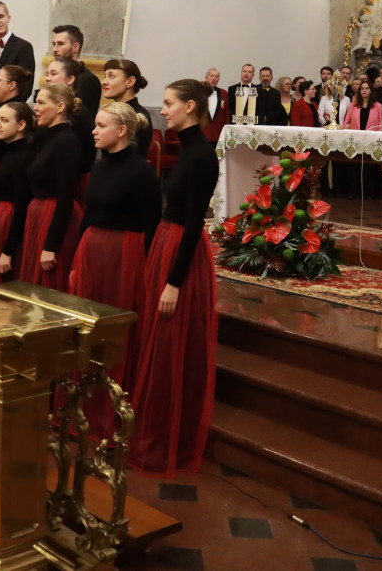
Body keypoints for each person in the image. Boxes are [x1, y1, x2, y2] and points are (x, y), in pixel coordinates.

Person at [127, 78, 219, 478]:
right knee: (155, 337)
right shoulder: (186, 149)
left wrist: (174, 282)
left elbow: (195, 221)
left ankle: (169, 437)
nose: (161, 110)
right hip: (167, 242)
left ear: (191, 106)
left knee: (171, 342)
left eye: (168, 104)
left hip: (182, 252)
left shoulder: (202, 156)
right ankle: (151, 428)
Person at [68, 102, 161, 440]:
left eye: (101, 125)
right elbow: (89, 215)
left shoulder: (142, 172)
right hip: (93, 251)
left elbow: (153, 226)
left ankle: (112, 413)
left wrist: (150, 270)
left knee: (114, 332)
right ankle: (83, 408)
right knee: (88, 329)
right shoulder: (100, 166)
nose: (93, 130)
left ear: (121, 131)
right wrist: (77, 260)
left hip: (125, 255)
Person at [19, 84, 84, 290]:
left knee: (48, 285)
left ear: (59, 107)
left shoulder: (67, 141)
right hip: (39, 214)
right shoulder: (47, 136)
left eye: (41, 103)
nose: (35, 108)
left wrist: (50, 246)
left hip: (53, 215)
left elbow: (66, 195)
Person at [0, 102, 35, 292]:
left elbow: (21, 206)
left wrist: (7, 250)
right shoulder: (9, 152)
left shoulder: (24, 157)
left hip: (7, 221)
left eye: (4, 120)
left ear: (21, 125)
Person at [45, 57, 95, 175]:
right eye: (47, 74)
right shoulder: (54, 108)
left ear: (70, 79)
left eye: (53, 74)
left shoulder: (77, 112)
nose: (47, 78)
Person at [102, 59, 154, 157]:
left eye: (111, 76)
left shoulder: (137, 115)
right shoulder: (115, 112)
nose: (104, 82)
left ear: (130, 81)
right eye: (105, 77)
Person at [52, 24, 101, 114]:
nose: (54, 49)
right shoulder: (54, 76)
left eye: (60, 44)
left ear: (75, 47)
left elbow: (87, 120)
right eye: (54, 44)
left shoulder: (88, 79)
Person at [200, 67, 229, 145]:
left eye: (217, 77)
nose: (214, 79)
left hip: (218, 134)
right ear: (206, 77)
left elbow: (227, 114)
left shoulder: (224, 93)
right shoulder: (199, 92)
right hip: (203, 133)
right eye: (211, 76)